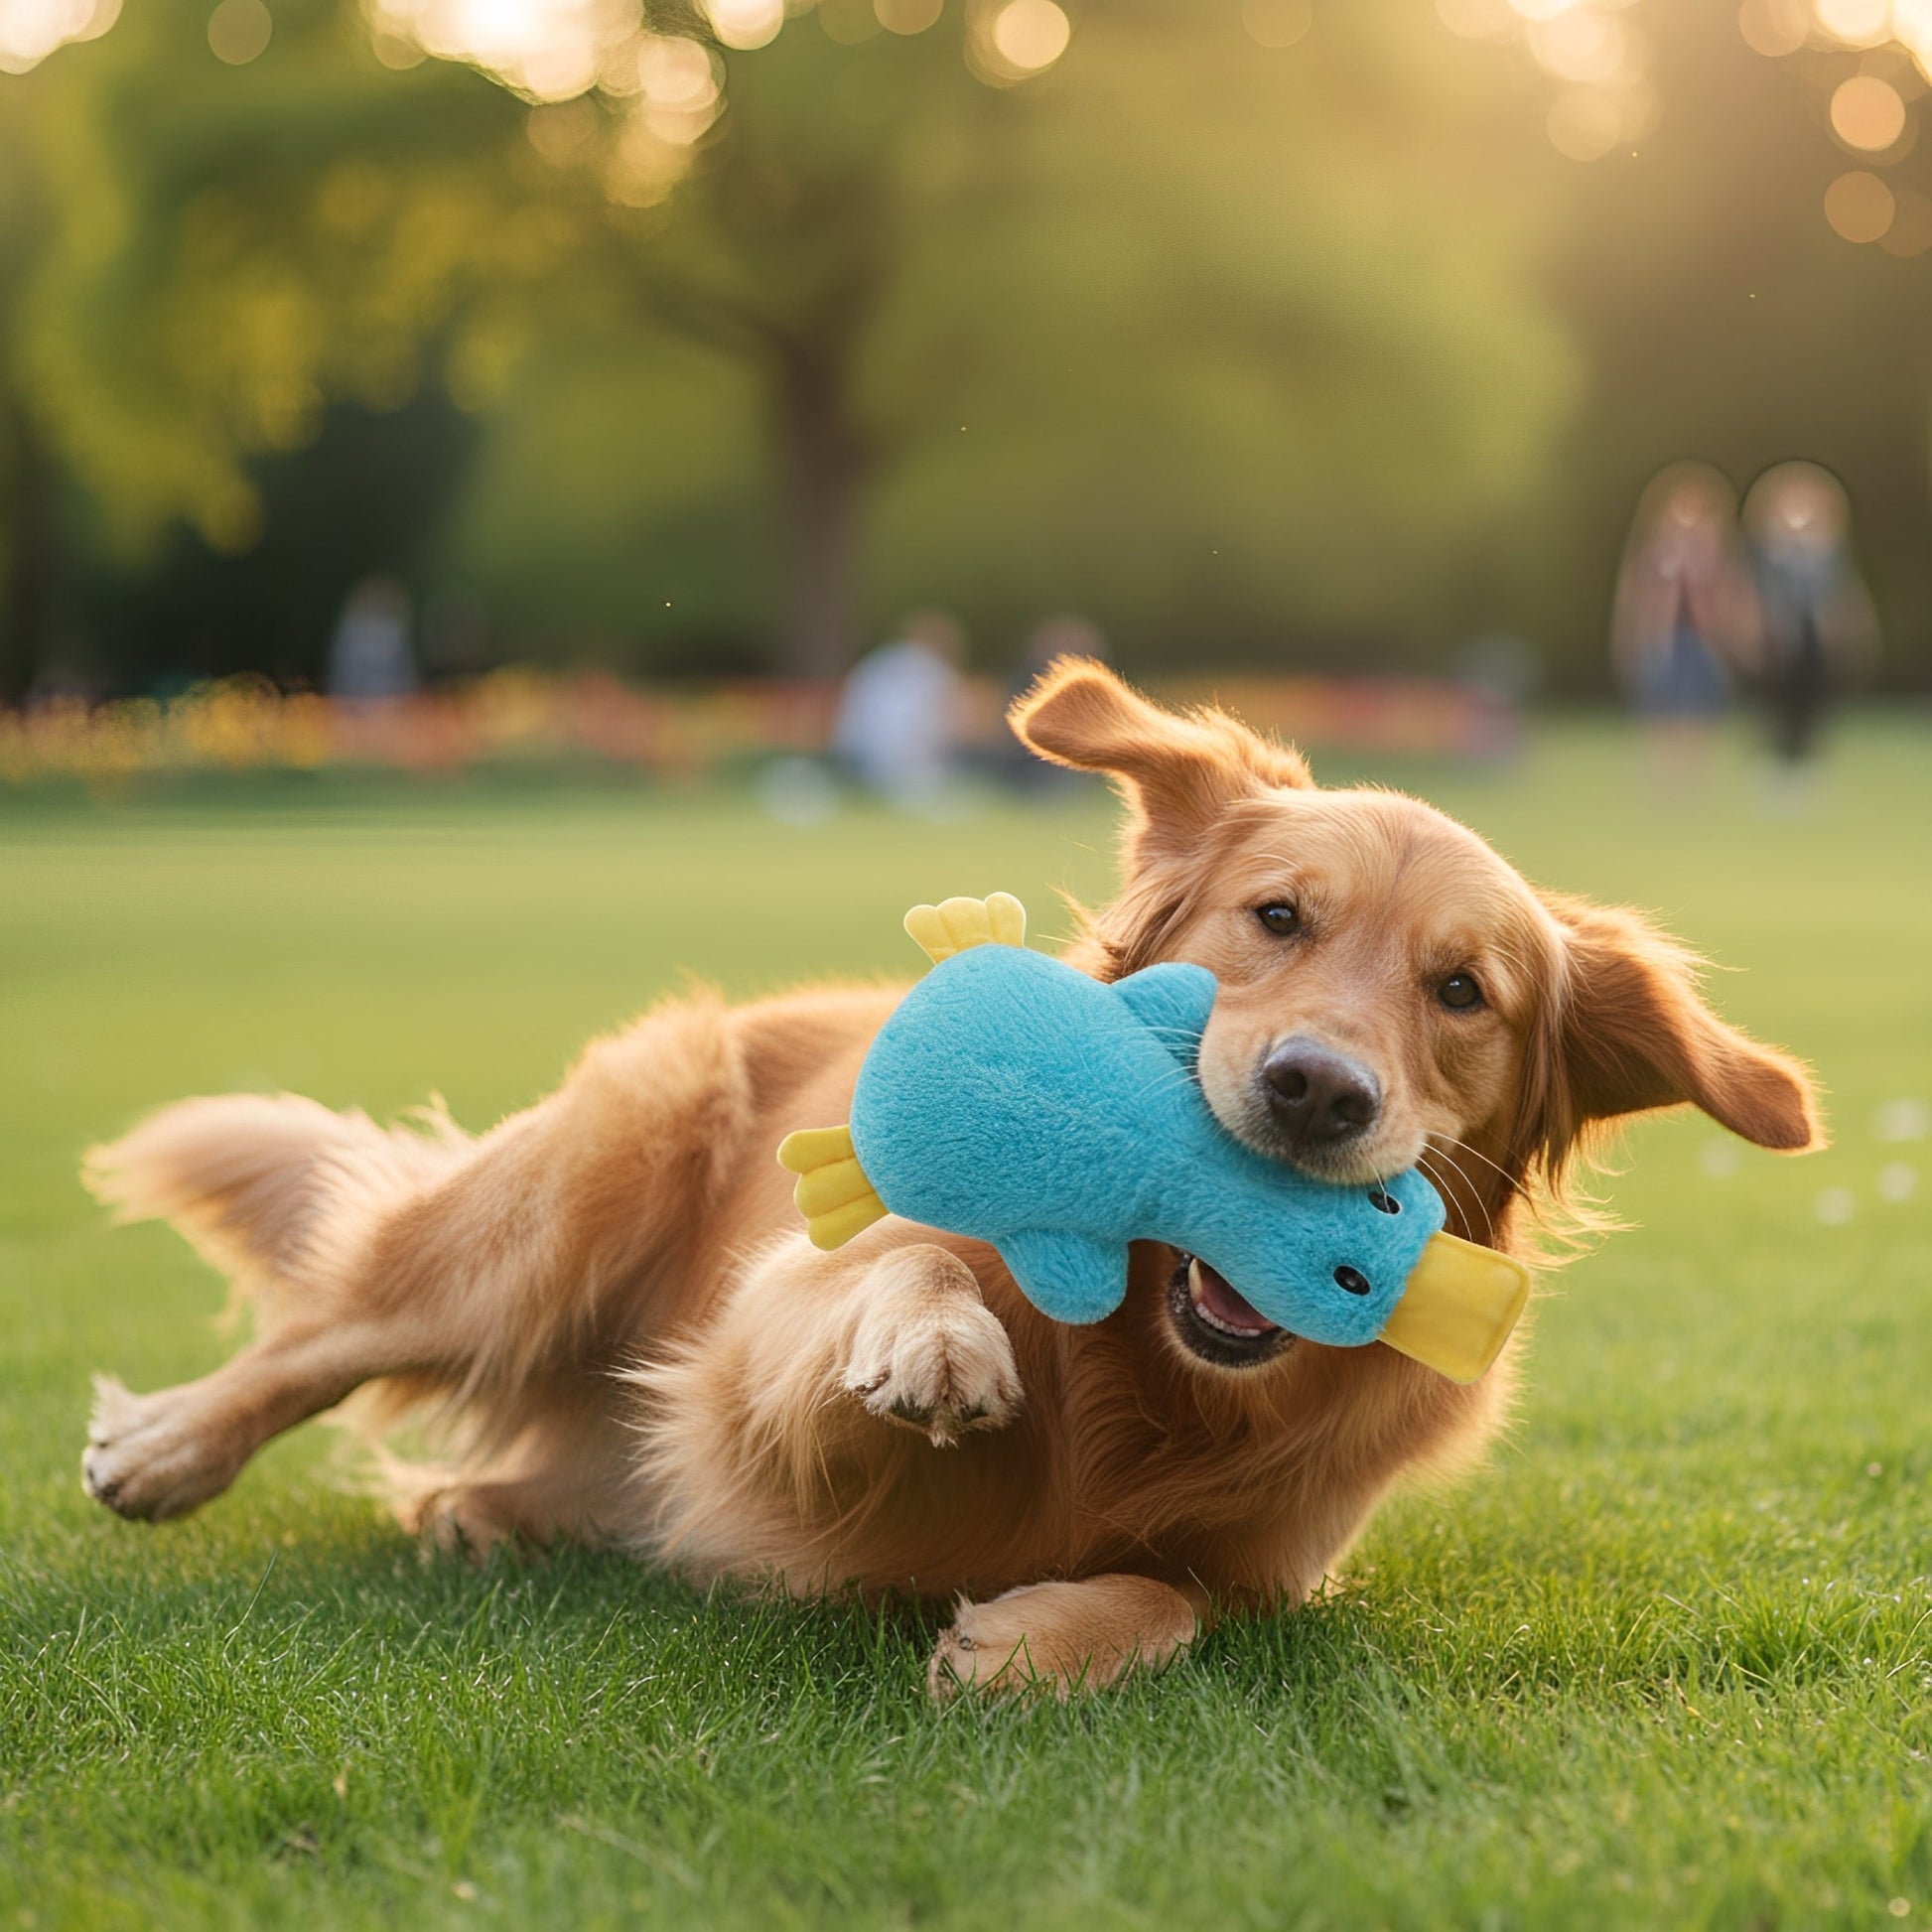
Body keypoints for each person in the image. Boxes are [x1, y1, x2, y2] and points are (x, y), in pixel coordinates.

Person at [1608, 463, 1751, 786]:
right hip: (1664, 639)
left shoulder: (1717, 552)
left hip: (1703, 640)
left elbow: (1731, 596)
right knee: (1662, 705)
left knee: (1700, 706)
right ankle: (1664, 776)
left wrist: (1735, 638)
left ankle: (1694, 775)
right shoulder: (1653, 553)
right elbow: (1636, 598)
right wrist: (1632, 638)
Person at [1738, 462, 1877, 781]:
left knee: (1815, 698)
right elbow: (1752, 592)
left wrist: (1851, 627)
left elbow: (1842, 592)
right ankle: (1776, 760)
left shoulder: (1828, 550)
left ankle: (1808, 760)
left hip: (1815, 641)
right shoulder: (1766, 552)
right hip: (1776, 639)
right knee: (1775, 699)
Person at [831, 611, 968, 809]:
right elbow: (952, 729)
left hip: (858, 760)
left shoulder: (876, 664)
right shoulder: (936, 673)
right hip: (909, 767)